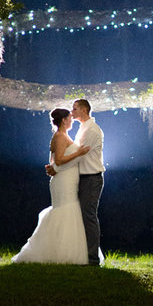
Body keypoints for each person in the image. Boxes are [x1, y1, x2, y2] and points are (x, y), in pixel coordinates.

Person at [11, 108, 91, 264]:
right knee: (66, 209)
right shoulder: (60, 136)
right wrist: (79, 153)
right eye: (69, 118)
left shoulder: (61, 136)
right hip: (64, 181)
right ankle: (60, 253)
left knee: (67, 209)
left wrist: (53, 167)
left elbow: (53, 162)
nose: (71, 120)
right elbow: (59, 160)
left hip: (66, 177)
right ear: (63, 120)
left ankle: (61, 250)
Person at [45, 96, 104, 266]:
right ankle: (79, 254)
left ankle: (92, 259)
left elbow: (78, 157)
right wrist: (55, 165)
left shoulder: (92, 130)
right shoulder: (81, 129)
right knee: (78, 216)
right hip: (79, 178)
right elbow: (67, 154)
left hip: (91, 178)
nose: (72, 112)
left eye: (75, 108)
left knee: (88, 217)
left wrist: (56, 168)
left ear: (84, 110)